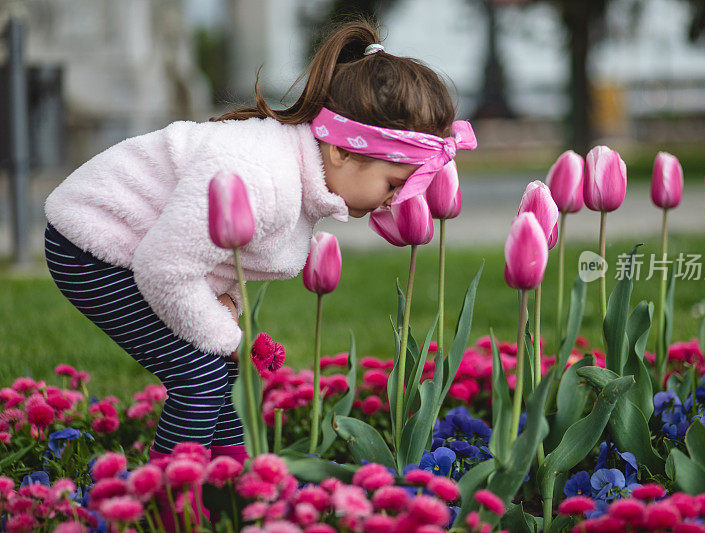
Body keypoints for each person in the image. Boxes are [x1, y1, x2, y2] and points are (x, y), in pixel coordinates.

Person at [42, 19, 476, 469]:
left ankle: (233, 484)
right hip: (91, 240)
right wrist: (226, 333)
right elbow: (165, 266)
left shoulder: (302, 175)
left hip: (147, 247)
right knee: (199, 375)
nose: (397, 201)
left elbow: (217, 255)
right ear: (342, 150)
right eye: (394, 184)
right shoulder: (261, 177)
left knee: (222, 374)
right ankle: (173, 498)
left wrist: (227, 303)